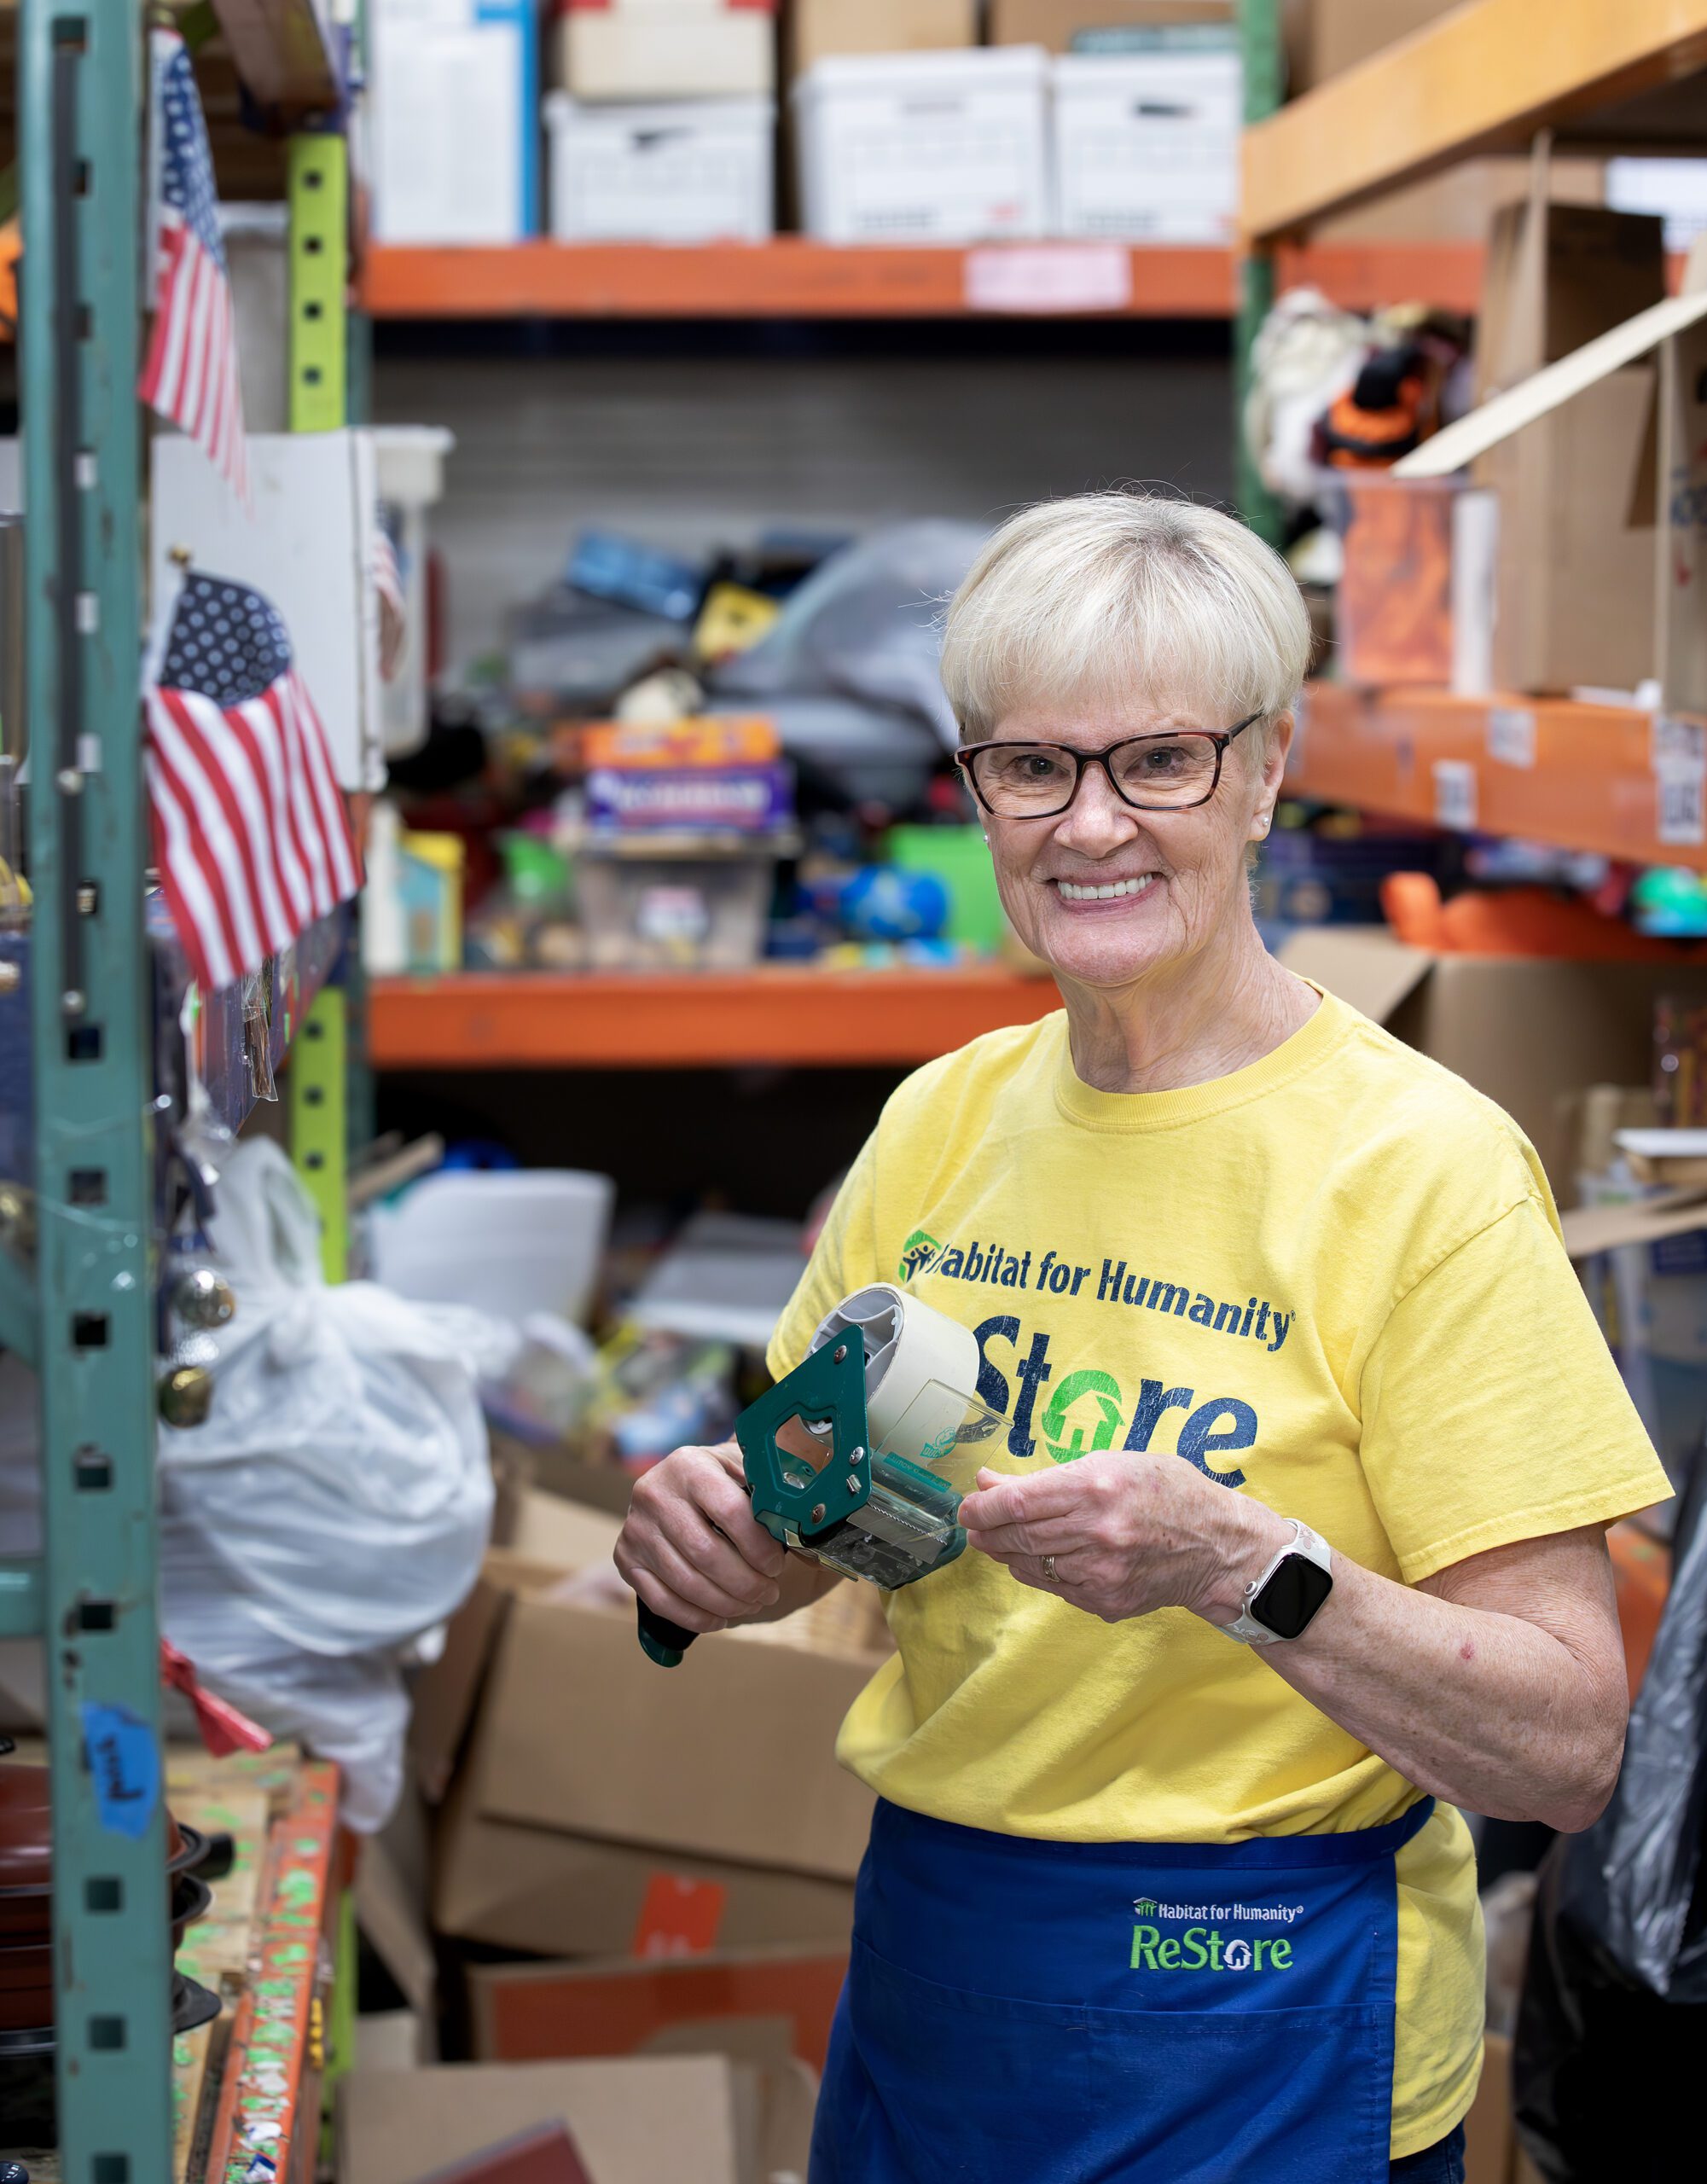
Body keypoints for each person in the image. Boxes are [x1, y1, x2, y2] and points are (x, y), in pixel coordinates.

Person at [614, 492, 1669, 2184]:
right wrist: (715, 1535)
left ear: (1263, 770)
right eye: (1027, 765)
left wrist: (1244, 1564)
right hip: (942, 1968)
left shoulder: (1421, 1172)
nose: (1087, 823)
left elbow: (1559, 1739)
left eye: (1156, 760)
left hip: (1252, 2000)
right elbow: (802, 1509)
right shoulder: (939, 1123)